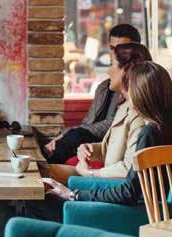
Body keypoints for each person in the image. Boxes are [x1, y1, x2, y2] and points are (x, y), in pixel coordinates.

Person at [0, 40, 152, 237]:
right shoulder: (124, 106)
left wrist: (88, 176)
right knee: (40, 181)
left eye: (111, 64)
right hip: (104, 181)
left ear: (127, 70)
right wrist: (93, 149)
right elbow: (116, 150)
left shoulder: (140, 118)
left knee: (39, 191)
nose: (107, 70)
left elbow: (129, 170)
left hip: (108, 188)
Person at [42, 61, 172, 206]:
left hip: (143, 213)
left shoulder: (150, 132)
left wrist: (74, 194)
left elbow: (129, 192)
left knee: (42, 202)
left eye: (130, 86)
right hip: (165, 209)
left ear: (140, 93)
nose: (126, 91)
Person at [43, 23, 142, 164]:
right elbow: (88, 122)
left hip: (110, 141)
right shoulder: (104, 87)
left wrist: (71, 134)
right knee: (46, 140)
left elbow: (113, 125)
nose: (115, 54)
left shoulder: (137, 88)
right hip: (87, 140)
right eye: (112, 48)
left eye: (122, 49)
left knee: (73, 136)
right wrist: (63, 136)